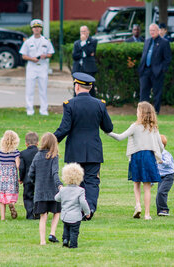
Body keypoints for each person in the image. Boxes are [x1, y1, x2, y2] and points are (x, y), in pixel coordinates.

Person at [54, 72, 113, 220]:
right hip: (93, 149)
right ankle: (90, 209)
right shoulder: (100, 104)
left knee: (74, 182)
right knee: (92, 181)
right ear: (90, 87)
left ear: (77, 86)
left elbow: (64, 128)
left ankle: (76, 210)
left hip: (75, 149)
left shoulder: (70, 104)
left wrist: (52, 141)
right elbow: (108, 127)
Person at [107, 101, 163, 220]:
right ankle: (147, 214)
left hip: (136, 157)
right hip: (149, 157)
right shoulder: (153, 128)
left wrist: (108, 132)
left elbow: (120, 137)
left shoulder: (135, 126)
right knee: (147, 186)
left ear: (141, 113)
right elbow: (161, 146)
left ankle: (138, 205)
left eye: (137, 111)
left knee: (136, 183)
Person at [28, 132, 63, 245]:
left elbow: (31, 173)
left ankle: (42, 241)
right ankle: (52, 233)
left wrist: (36, 183)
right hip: (53, 191)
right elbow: (55, 173)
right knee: (57, 212)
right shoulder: (54, 156)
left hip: (40, 192)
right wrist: (59, 185)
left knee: (43, 216)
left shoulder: (37, 156)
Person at [19, 19, 54, 116]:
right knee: (29, 89)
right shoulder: (28, 41)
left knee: (43, 89)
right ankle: (29, 110)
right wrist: (31, 58)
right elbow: (23, 55)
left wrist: (45, 56)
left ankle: (44, 110)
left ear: (41, 29)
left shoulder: (46, 41)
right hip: (31, 66)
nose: (36, 29)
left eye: (38, 27)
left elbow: (50, 53)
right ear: (32, 29)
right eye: (34, 27)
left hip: (42, 66)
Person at [55, 163, 90, 248]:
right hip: (75, 216)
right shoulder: (80, 190)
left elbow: (56, 198)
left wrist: (60, 191)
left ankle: (65, 240)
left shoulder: (63, 190)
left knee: (66, 228)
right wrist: (87, 212)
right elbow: (83, 202)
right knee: (74, 231)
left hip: (65, 215)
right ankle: (73, 244)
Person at [138, 23, 171, 114]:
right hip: (145, 70)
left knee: (157, 93)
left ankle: (155, 111)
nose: (152, 32)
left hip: (157, 71)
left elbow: (167, 59)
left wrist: (162, 69)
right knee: (143, 92)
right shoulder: (147, 41)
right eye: (150, 30)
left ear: (158, 31)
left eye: (154, 30)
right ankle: (143, 111)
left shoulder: (164, 42)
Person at [0, 130, 20, 221]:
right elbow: (18, 166)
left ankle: (2, 217)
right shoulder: (16, 153)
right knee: (11, 193)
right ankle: (12, 204)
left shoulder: (0, 152)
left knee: (2, 198)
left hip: (2, 178)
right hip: (11, 177)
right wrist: (20, 176)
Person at [72, 25, 98, 97]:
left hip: (89, 69)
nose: (83, 33)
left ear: (88, 32)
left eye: (84, 31)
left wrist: (84, 43)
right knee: (77, 88)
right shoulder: (76, 43)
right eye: (81, 31)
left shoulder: (93, 41)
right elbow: (74, 56)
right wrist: (84, 54)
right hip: (78, 68)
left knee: (90, 89)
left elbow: (90, 51)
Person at [19, 132, 39, 220]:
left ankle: (30, 214)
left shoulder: (23, 153)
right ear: (37, 143)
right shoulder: (40, 152)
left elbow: (21, 167)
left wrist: (21, 177)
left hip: (27, 179)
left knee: (27, 196)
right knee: (38, 196)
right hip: (39, 179)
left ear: (26, 143)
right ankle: (38, 213)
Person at [156, 134, 174, 216]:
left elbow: (168, 162)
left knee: (162, 192)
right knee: (158, 193)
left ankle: (164, 209)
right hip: (161, 176)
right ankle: (160, 210)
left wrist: (162, 161)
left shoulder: (165, 153)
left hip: (168, 176)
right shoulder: (156, 153)